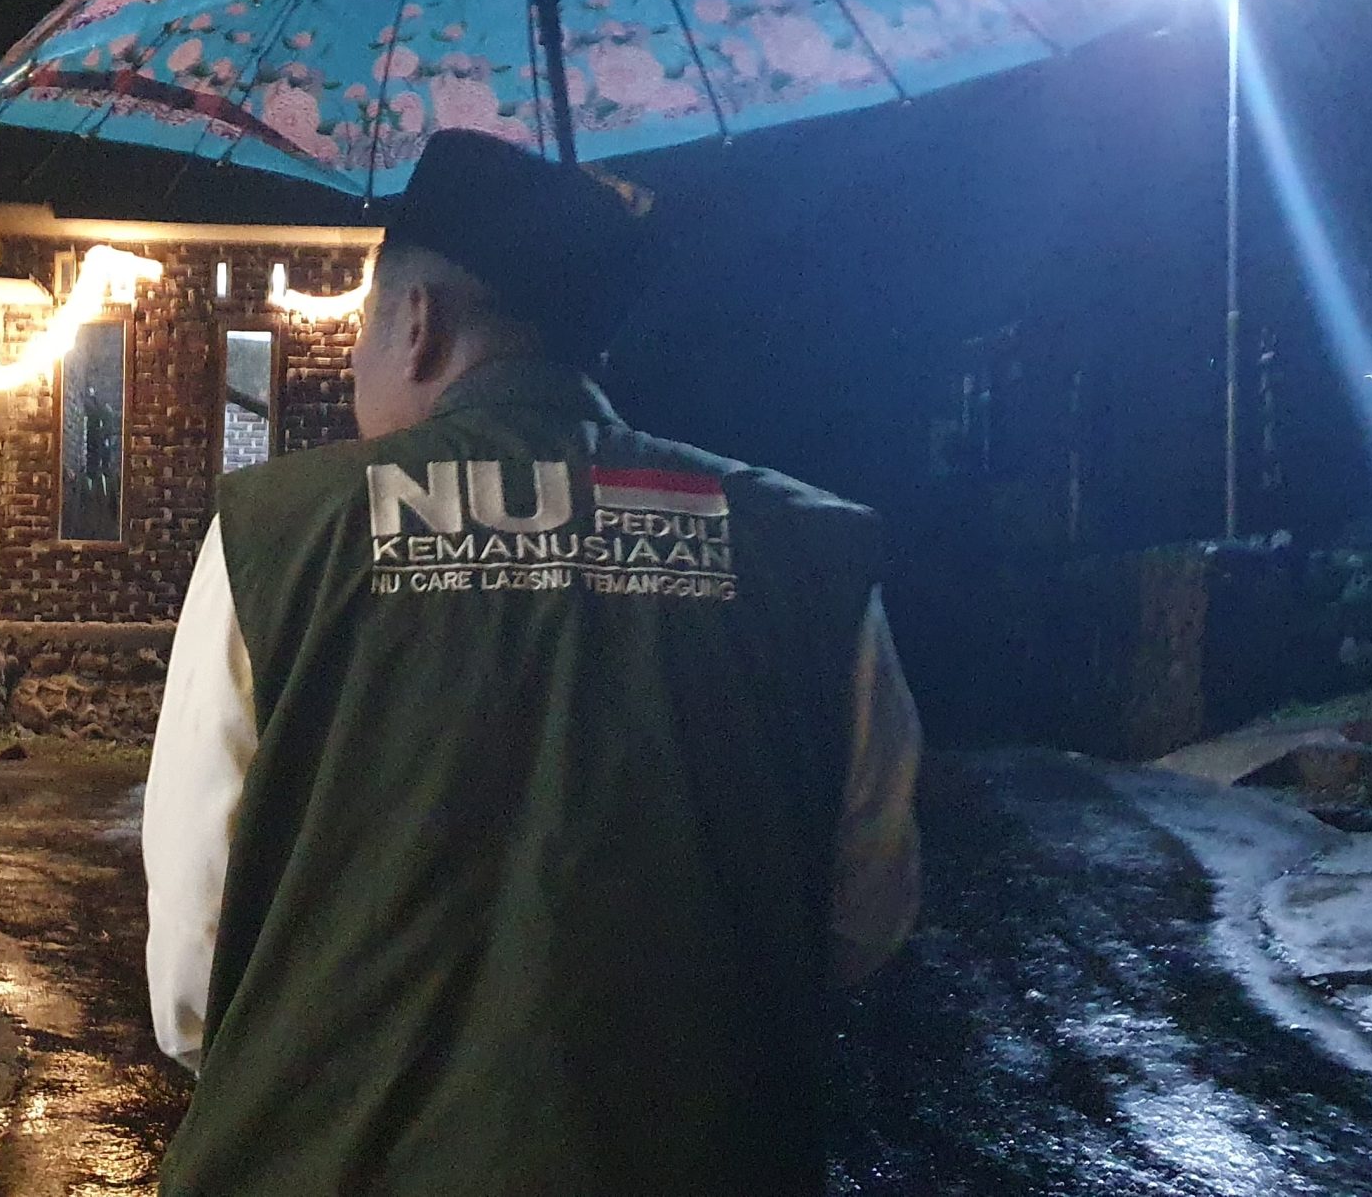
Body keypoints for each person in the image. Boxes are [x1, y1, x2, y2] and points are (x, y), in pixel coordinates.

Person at [142, 130, 921, 1197]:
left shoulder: (277, 532)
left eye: (363, 326)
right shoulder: (805, 547)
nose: (356, 361)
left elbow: (193, 961)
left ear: (418, 324)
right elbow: (865, 911)